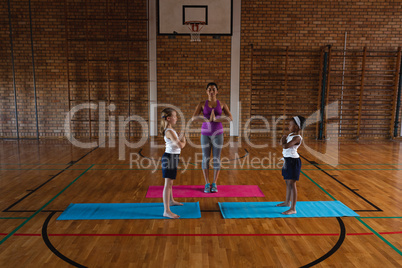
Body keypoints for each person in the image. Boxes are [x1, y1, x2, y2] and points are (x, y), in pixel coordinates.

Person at [191, 82, 233, 193]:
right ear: (206, 91)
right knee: (205, 158)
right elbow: (194, 118)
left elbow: (230, 117)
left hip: (218, 133)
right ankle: (206, 183)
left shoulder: (222, 104)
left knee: (216, 158)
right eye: (209, 89)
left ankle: (214, 183)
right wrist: (207, 120)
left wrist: (217, 120)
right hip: (205, 134)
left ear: (217, 91)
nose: (212, 91)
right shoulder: (201, 104)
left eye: (214, 89)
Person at [276, 115, 306, 215]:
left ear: (297, 127)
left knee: (292, 184)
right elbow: (283, 144)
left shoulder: (297, 137)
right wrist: (284, 139)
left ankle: (293, 208)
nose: (289, 126)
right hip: (287, 160)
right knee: (287, 182)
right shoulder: (291, 135)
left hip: (293, 162)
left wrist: (283, 140)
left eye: (290, 125)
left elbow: (285, 146)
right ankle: (287, 202)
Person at [160, 108, 186, 219]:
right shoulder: (169, 131)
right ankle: (166, 211)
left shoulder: (170, 130)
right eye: (175, 116)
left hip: (172, 157)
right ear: (168, 118)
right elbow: (180, 145)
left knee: (170, 183)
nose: (176, 118)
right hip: (169, 158)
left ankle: (171, 201)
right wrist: (184, 139)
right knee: (167, 184)